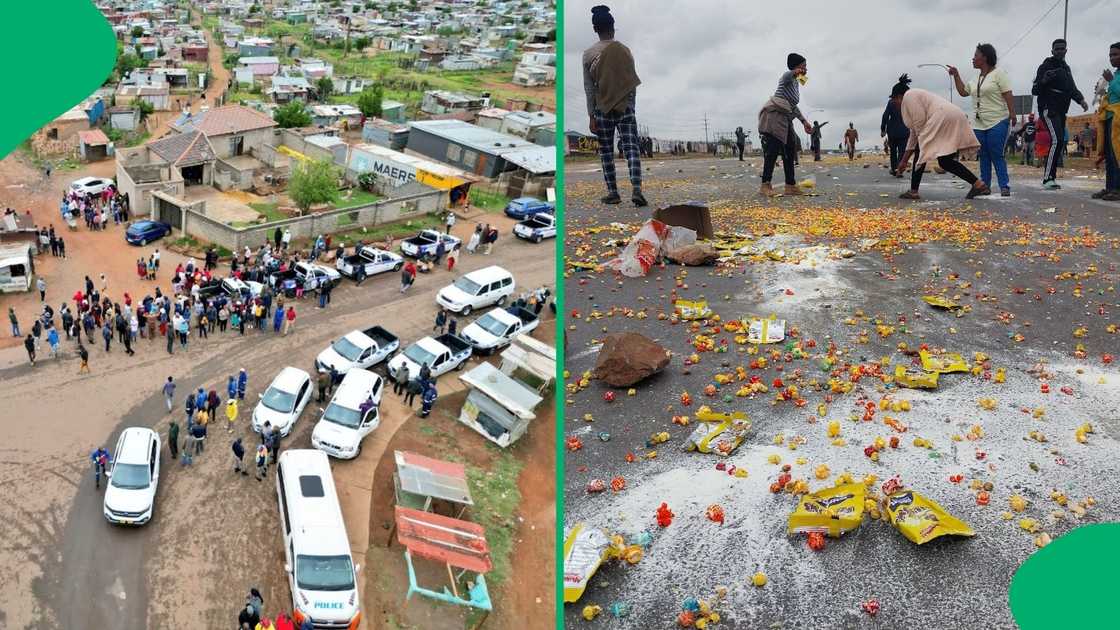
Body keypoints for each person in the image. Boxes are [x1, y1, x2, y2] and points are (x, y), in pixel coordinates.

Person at [583, 5, 647, 207]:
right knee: (631, 149)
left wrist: (591, 115)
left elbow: (589, 88)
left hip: (602, 108)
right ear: (613, 27)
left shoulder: (588, 54)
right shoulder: (625, 51)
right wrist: (630, 107)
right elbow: (630, 83)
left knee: (606, 152)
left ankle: (613, 193)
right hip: (625, 107)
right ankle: (637, 189)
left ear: (595, 29)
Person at [889, 75, 987, 200]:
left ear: (898, 96)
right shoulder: (916, 96)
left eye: (894, 101)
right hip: (954, 115)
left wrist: (919, 148)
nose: (895, 105)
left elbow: (919, 124)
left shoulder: (909, 96)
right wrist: (904, 160)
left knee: (921, 150)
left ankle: (913, 191)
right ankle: (978, 184)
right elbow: (914, 134)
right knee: (945, 161)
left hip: (943, 117)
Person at [949, 43, 1016, 196]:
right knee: (984, 154)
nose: (973, 59)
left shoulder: (999, 74)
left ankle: (1004, 186)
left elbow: (1008, 94)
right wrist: (956, 75)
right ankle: (984, 185)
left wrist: (1013, 114)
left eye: (976, 55)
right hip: (979, 123)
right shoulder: (975, 79)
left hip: (998, 120)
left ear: (984, 57)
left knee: (996, 153)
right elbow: (963, 92)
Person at [1033, 38, 1090, 189]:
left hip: (1061, 109)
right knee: (1057, 140)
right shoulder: (1045, 66)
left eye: (1062, 49)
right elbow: (1035, 90)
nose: (1059, 51)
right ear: (1052, 51)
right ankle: (1048, 178)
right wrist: (1044, 80)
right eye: (1056, 49)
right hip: (1048, 108)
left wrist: (1081, 100)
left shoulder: (1066, 69)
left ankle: (1051, 176)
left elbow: (1072, 88)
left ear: (1066, 50)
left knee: (1058, 142)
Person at [759, 53, 814, 197]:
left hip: (786, 118)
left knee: (790, 149)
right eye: (804, 65)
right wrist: (795, 72)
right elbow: (786, 76)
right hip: (774, 116)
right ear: (797, 66)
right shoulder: (788, 78)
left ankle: (790, 185)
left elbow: (793, 105)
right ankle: (765, 185)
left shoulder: (797, 83)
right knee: (772, 150)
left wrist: (804, 121)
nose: (806, 68)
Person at [1094, 42, 1120, 201]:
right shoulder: (1115, 75)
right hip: (1111, 118)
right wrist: (1102, 91)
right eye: (1110, 55)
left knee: (1117, 154)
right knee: (1110, 155)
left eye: (1115, 54)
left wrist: (1111, 82)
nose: (1112, 58)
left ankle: (1117, 188)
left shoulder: (1114, 77)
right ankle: (1110, 187)